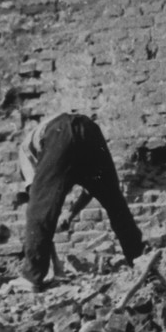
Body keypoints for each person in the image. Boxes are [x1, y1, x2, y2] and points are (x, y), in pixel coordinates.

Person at [17, 111, 144, 291]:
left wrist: (52, 265)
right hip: (89, 129)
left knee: (38, 209)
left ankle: (31, 277)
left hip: (58, 131)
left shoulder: (24, 152)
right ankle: (139, 259)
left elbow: (40, 208)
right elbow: (92, 186)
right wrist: (71, 213)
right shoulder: (64, 156)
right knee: (115, 202)